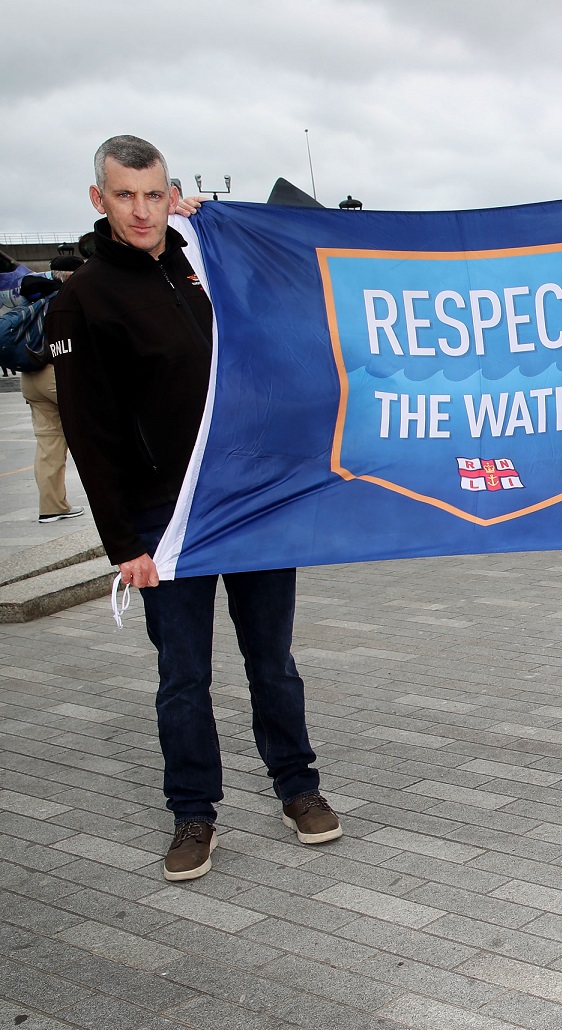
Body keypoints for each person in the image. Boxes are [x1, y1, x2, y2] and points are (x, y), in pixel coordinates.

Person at [49, 134, 344, 881]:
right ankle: (193, 812)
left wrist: (223, 224)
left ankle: (298, 787)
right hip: (163, 521)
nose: (142, 211)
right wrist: (125, 544)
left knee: (272, 661)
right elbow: (89, 434)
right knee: (184, 675)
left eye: (155, 195)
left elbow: (292, 296)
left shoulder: (200, 260)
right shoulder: (82, 299)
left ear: (169, 192)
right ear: (99, 200)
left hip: (247, 505)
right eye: (125, 196)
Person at [16, 254, 86, 524]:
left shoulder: (32, 297)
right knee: (96, 431)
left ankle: (52, 507)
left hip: (29, 377)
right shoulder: (67, 298)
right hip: (57, 373)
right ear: (71, 275)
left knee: (48, 444)